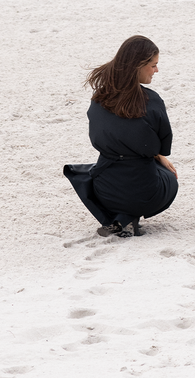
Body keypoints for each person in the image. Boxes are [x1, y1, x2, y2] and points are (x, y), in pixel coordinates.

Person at [63, 35, 178, 237]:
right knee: (169, 176)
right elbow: (160, 146)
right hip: (147, 194)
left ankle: (122, 218)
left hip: (105, 191)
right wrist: (158, 156)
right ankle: (128, 216)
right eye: (153, 65)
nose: (156, 71)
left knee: (116, 172)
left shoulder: (99, 98)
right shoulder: (152, 101)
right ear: (138, 66)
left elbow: (99, 138)